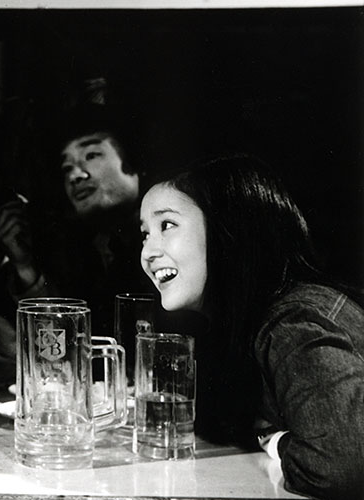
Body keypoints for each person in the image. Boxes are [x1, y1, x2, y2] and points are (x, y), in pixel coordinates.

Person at [139, 153, 364, 499]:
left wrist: (274, 442)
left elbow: (338, 467)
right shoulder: (251, 324)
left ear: (230, 229)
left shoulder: (295, 321)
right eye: (145, 234)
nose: (148, 252)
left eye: (166, 225)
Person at [0, 103, 154, 336]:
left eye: (91, 155)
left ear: (132, 160)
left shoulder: (165, 235)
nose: (75, 175)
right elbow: (60, 336)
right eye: (67, 168)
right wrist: (24, 266)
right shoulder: (78, 248)